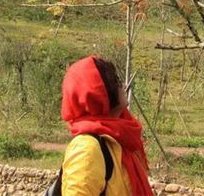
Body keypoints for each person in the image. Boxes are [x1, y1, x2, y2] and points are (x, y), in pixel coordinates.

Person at [60, 55, 154, 196]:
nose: (123, 85)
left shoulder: (120, 138)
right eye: (115, 81)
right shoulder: (87, 149)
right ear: (97, 93)